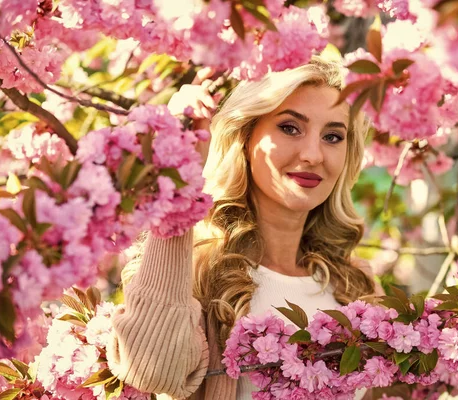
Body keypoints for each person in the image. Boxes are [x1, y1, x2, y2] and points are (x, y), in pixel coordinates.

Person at [106, 56, 383, 400]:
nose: (313, 154)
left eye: (332, 136)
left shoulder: (356, 284)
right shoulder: (195, 269)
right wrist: (179, 175)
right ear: (245, 137)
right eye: (290, 128)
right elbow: (151, 371)